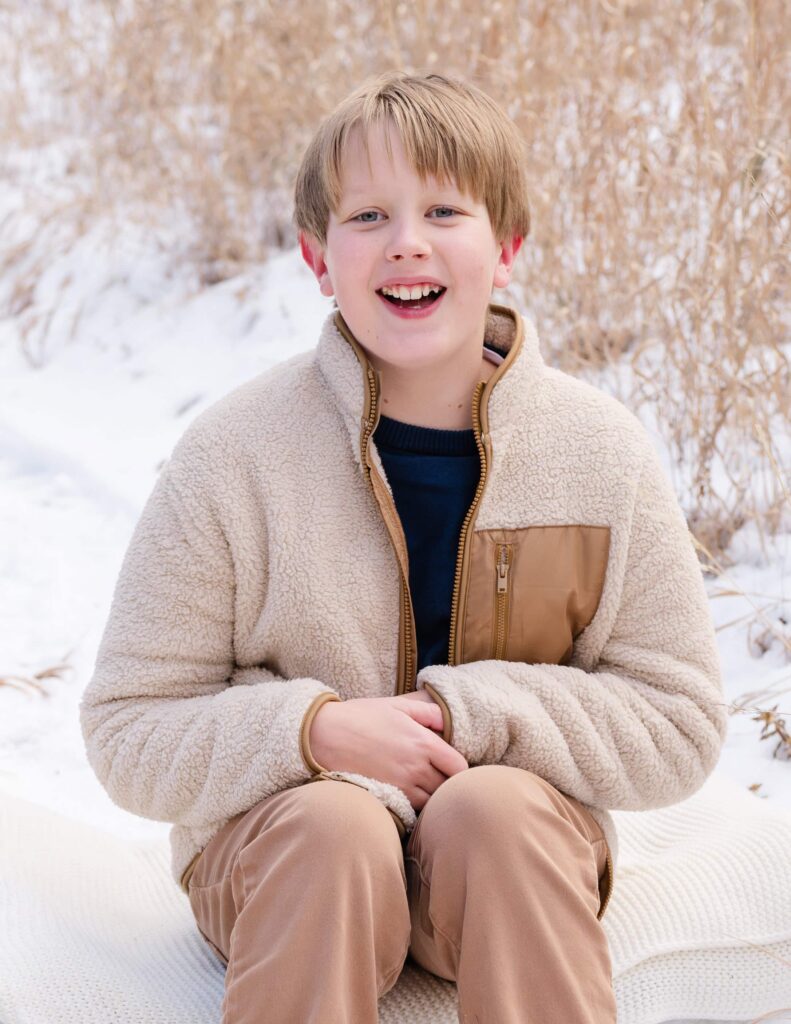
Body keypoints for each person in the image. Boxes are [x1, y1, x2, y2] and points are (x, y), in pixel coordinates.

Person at [79, 70, 728, 1024]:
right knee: (336, 825)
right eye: (369, 216)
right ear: (318, 259)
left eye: (444, 211)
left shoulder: (600, 454)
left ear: (507, 247)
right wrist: (315, 733)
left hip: (513, 860)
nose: (407, 243)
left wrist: (465, 715)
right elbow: (128, 726)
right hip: (283, 865)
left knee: (491, 810)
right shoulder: (233, 455)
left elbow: (679, 720)